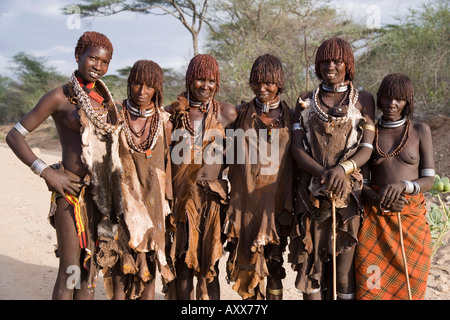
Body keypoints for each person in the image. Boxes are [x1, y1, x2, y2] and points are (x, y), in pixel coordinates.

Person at [6, 31, 122, 299]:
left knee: (90, 270)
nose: (99, 67)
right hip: (70, 193)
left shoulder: (106, 101)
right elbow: (15, 135)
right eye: (93, 58)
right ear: (77, 56)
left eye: (105, 62)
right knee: (71, 270)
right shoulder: (59, 97)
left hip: (101, 197)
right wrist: (45, 171)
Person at [288, 37, 376, 300]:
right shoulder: (305, 100)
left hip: (348, 194)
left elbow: (367, 148)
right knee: (311, 264)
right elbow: (296, 149)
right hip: (311, 194)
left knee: (343, 272)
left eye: (337, 60)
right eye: (325, 60)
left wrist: (342, 169)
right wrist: (323, 173)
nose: (331, 65)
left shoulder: (364, 100)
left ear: (347, 64)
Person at [95, 60, 175, 299]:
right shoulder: (114, 116)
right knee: (120, 270)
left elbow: (168, 166)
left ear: (157, 89)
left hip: (153, 209)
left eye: (149, 86)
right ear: (129, 84)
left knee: (148, 271)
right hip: (120, 206)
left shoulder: (165, 122)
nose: (142, 91)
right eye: (137, 84)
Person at [355, 73, 434, 300]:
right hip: (376, 219)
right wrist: (376, 199)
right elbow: (364, 182)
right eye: (387, 98)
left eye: (399, 99)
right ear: (379, 99)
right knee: (372, 285)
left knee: (413, 283)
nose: (392, 104)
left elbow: (429, 180)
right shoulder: (370, 132)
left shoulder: (420, 130)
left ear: (407, 102)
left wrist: (403, 186)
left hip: (411, 218)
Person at [164, 54, 237, 300]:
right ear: (188, 79)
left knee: (211, 266)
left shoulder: (227, 113)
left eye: (211, 80)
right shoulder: (171, 114)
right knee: (184, 263)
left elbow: (239, 152)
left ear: (217, 83)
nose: (205, 86)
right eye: (199, 79)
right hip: (182, 200)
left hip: (213, 200)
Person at [223, 54, 294, 300]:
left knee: (274, 265)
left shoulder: (291, 117)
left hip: (276, 204)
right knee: (246, 262)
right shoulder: (238, 115)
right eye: (257, 82)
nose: (262, 88)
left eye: (269, 83)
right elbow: (220, 151)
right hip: (245, 204)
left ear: (279, 84)